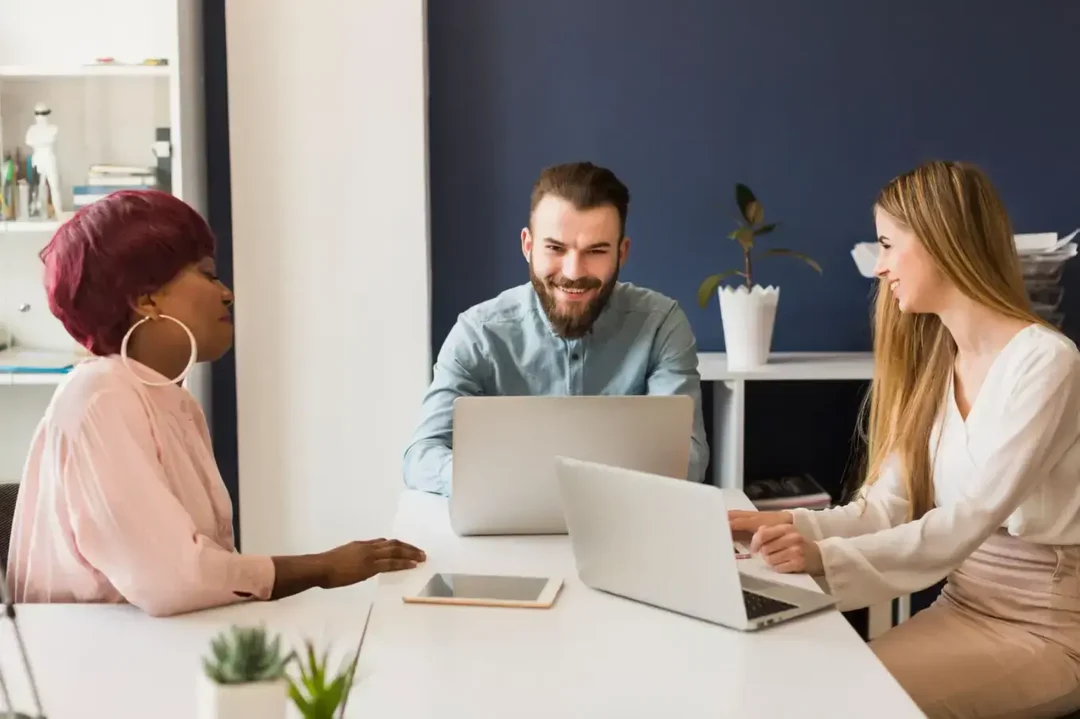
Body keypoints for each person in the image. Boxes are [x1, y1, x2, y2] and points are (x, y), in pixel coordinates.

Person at [729, 160, 1080, 718]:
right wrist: (787, 526)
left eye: (888, 245)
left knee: (845, 704)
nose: (879, 267)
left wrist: (821, 555)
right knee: (801, 687)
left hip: (1042, 627)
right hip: (963, 604)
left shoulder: (1047, 362)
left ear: (944, 241)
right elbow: (887, 507)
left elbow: (969, 519)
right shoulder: (939, 363)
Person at [6, 190, 426, 617]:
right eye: (208, 275)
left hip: (156, 648)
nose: (227, 294)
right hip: (89, 665)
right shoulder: (101, 397)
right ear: (146, 299)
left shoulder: (172, 400)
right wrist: (323, 567)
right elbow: (175, 580)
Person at [403, 161, 709, 496]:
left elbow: (688, 458)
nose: (574, 271)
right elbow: (422, 455)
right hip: (507, 520)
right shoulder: (478, 333)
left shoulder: (661, 323)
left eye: (595, 251)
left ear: (621, 253)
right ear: (528, 246)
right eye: (555, 248)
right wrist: (500, 483)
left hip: (623, 525)